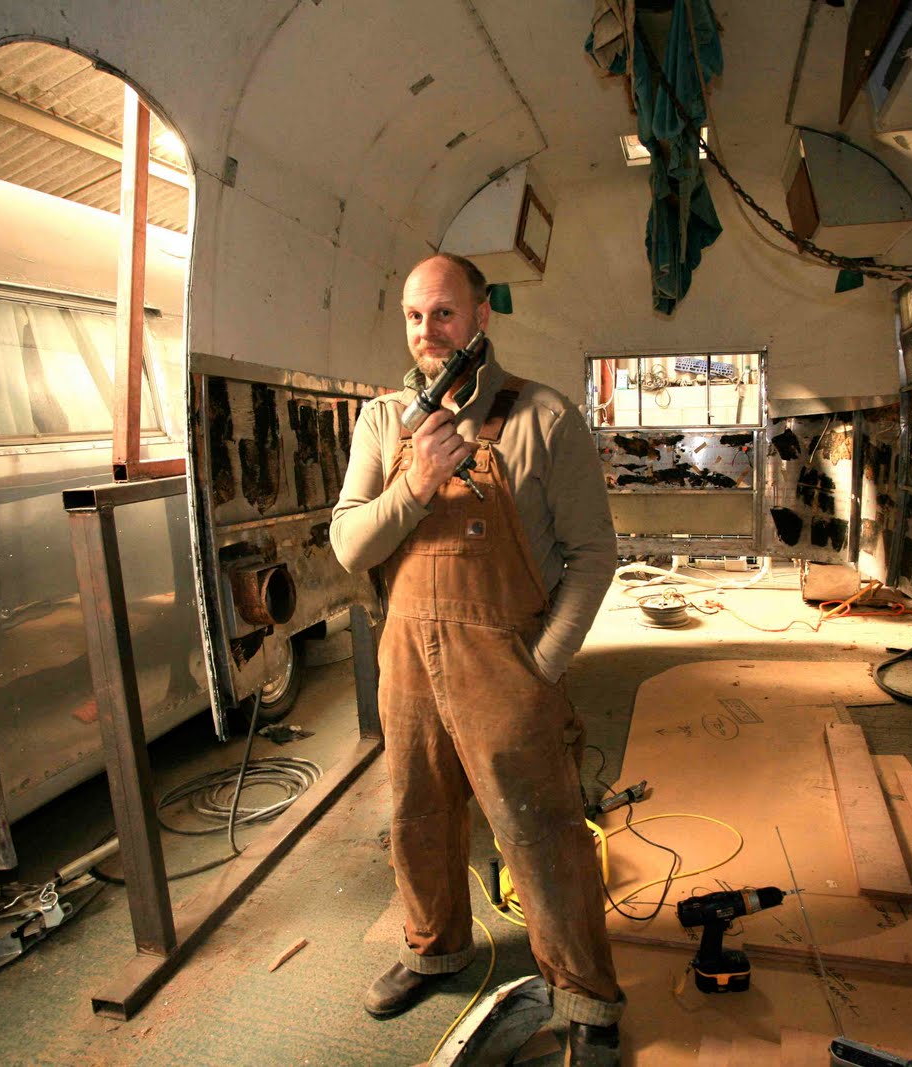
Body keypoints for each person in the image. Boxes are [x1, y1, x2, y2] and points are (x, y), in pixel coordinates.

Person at [330, 253, 623, 1065]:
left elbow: (594, 554)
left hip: (506, 659)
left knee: (541, 829)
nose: (428, 331)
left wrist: (543, 664)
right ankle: (435, 949)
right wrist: (415, 483)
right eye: (414, 315)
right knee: (417, 815)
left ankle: (586, 997)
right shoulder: (382, 422)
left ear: (482, 315)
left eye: (445, 312)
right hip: (404, 655)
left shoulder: (543, 417)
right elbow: (351, 544)